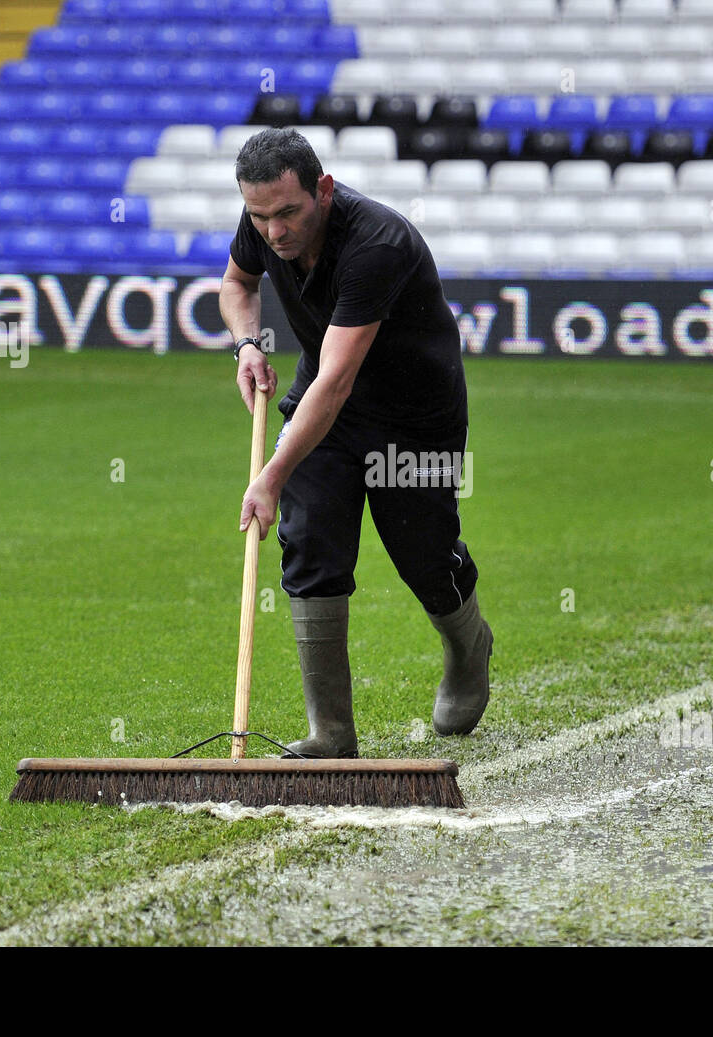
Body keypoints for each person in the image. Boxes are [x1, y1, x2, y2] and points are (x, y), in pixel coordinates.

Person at [218, 127, 492, 758]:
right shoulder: (260, 220)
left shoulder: (378, 243)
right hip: (327, 414)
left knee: (423, 555)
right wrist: (247, 344)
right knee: (310, 540)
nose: (275, 232)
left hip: (413, 418)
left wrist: (270, 475)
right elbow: (237, 286)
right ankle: (331, 735)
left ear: (324, 190)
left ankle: (468, 646)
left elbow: (337, 380)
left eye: (287, 213)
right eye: (260, 217)